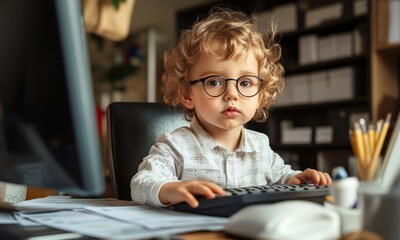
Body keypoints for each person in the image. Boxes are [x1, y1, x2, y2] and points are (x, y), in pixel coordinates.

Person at [130, 7, 332, 208]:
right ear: (187, 94)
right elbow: (141, 184)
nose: (232, 94)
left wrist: (298, 178)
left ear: (260, 94)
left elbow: (282, 176)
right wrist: (169, 189)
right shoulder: (176, 145)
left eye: (245, 83)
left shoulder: (260, 146)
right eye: (215, 82)